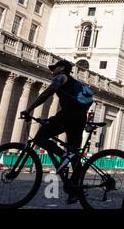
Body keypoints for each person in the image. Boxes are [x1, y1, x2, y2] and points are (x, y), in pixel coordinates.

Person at [20, 60, 89, 204]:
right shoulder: (74, 82)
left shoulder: (61, 77)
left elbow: (47, 92)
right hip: (80, 117)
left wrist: (29, 108)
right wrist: (50, 119)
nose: (52, 71)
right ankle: (74, 190)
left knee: (39, 138)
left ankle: (64, 155)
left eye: (54, 68)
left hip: (68, 115)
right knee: (75, 154)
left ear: (62, 68)